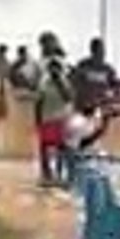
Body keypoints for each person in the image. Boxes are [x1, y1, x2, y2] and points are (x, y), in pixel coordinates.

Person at [35, 56, 74, 187]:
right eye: (52, 68)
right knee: (44, 147)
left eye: (56, 68)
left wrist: (60, 83)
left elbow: (69, 98)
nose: (54, 71)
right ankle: (46, 174)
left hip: (61, 120)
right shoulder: (44, 83)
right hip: (46, 119)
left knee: (62, 149)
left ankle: (61, 174)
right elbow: (38, 102)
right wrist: (37, 120)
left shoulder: (65, 82)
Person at [71, 38, 119, 116]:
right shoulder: (83, 65)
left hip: (101, 107)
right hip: (84, 107)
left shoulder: (108, 69)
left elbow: (115, 86)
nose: (103, 53)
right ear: (93, 51)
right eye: (100, 50)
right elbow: (75, 82)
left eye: (103, 50)